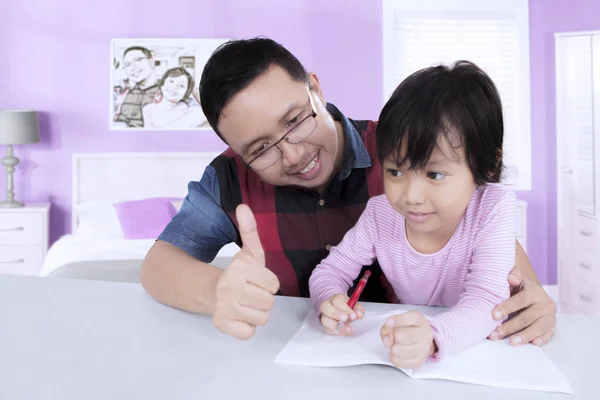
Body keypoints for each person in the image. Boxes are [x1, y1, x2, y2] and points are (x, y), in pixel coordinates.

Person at [139, 37, 556, 348]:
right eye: (261, 149)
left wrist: (532, 298)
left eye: (295, 120)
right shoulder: (228, 178)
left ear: (316, 89)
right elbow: (158, 265)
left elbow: (483, 235)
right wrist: (218, 292)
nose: (293, 154)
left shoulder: (403, 149)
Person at [310, 61, 520, 369]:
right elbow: (329, 272)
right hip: (410, 354)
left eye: (434, 175)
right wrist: (328, 299)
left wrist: (434, 337)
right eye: (395, 171)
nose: (410, 196)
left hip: (482, 357)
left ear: (486, 165)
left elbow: (488, 301)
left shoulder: (493, 208)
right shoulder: (380, 214)